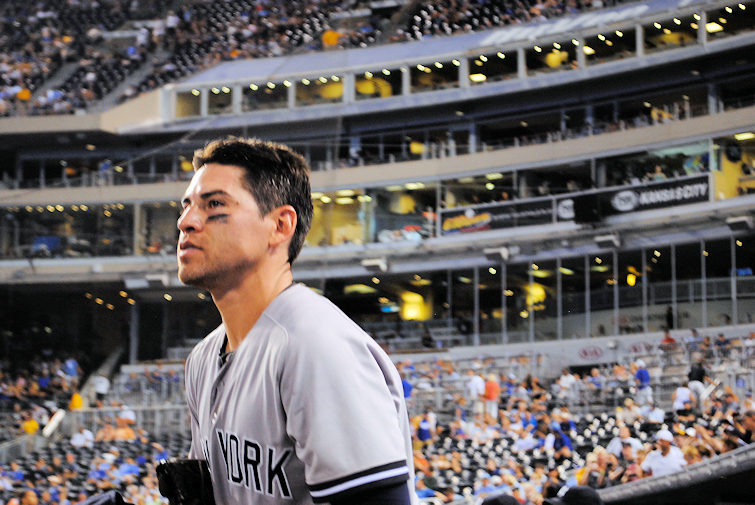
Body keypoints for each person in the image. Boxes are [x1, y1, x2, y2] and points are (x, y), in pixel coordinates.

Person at [178, 139, 416, 504]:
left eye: (214, 205)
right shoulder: (203, 358)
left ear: (279, 225)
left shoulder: (315, 343)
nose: (186, 221)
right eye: (187, 206)